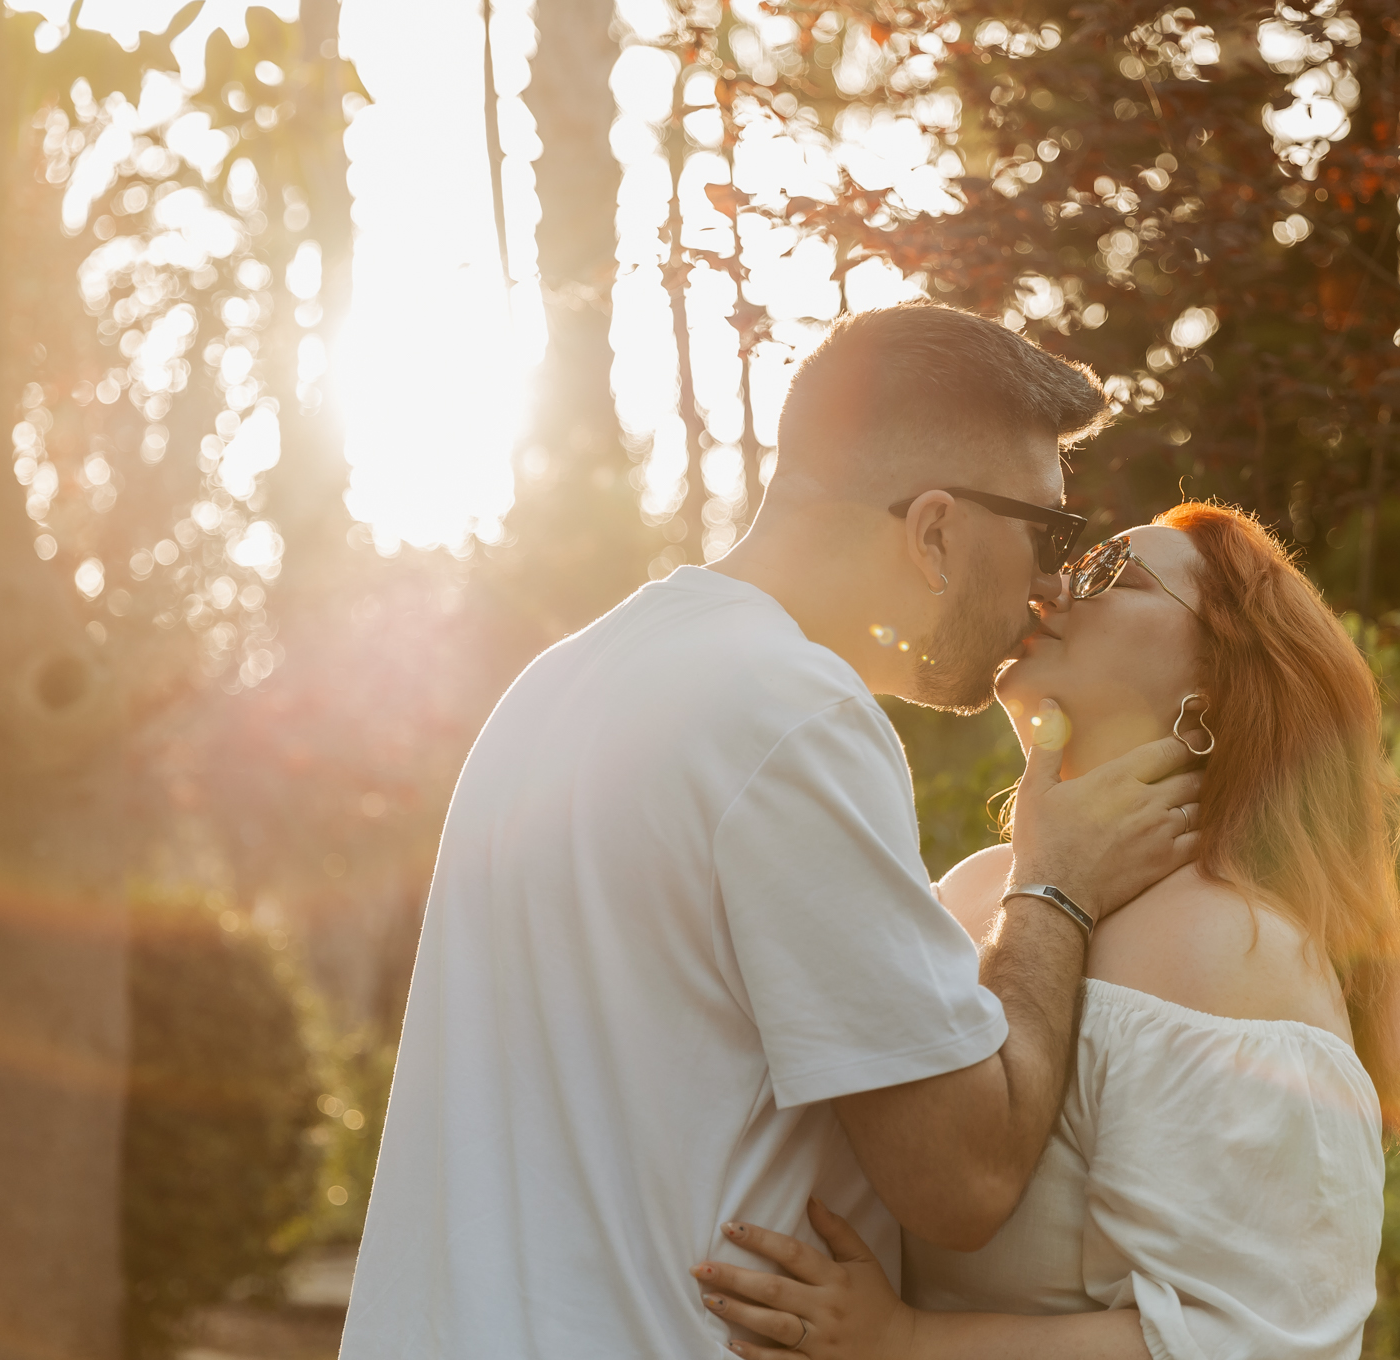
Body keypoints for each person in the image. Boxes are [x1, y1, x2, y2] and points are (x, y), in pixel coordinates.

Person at [339, 304, 1206, 1358]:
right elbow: (964, 1178)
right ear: (936, 530)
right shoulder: (789, 714)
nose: (1051, 587)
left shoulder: (562, 681)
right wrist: (1055, 880)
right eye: (1049, 535)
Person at [688, 503, 1400, 1360]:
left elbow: (1252, 1343)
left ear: (1218, 681)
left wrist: (907, 1341)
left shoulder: (1235, 950)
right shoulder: (969, 890)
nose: (1053, 588)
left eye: (1115, 575)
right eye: (1073, 564)